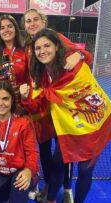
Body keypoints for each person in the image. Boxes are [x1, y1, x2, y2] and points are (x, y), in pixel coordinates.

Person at [20, 28, 111, 203]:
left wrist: (81, 54)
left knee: (85, 171)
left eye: (47, 46)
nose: (43, 51)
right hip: (70, 127)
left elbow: (87, 58)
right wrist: (25, 98)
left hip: (93, 125)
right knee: (58, 165)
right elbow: (38, 105)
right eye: (38, 48)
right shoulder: (41, 76)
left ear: (57, 46)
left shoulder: (72, 64)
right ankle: (51, 200)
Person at [21, 9, 94, 202]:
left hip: (62, 107)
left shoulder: (55, 38)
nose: (32, 23)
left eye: (36, 19)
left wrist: (80, 54)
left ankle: (68, 188)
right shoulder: (28, 46)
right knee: (45, 150)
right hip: (42, 107)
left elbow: (86, 55)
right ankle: (48, 186)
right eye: (28, 21)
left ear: (44, 21)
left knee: (64, 149)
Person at [0, 14, 28, 115]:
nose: (6, 30)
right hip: (2, 105)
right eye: (2, 28)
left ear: (15, 29)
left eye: (10, 26)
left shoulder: (25, 51)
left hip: (22, 104)